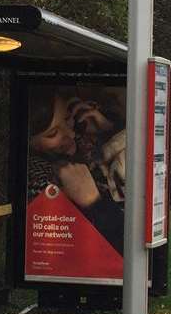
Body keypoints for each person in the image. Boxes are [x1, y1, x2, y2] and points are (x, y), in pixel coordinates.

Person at [28, 88, 126, 252]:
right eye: (53, 133)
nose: (71, 133)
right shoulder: (40, 184)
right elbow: (119, 249)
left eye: (67, 120)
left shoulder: (84, 143)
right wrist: (93, 202)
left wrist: (109, 129)